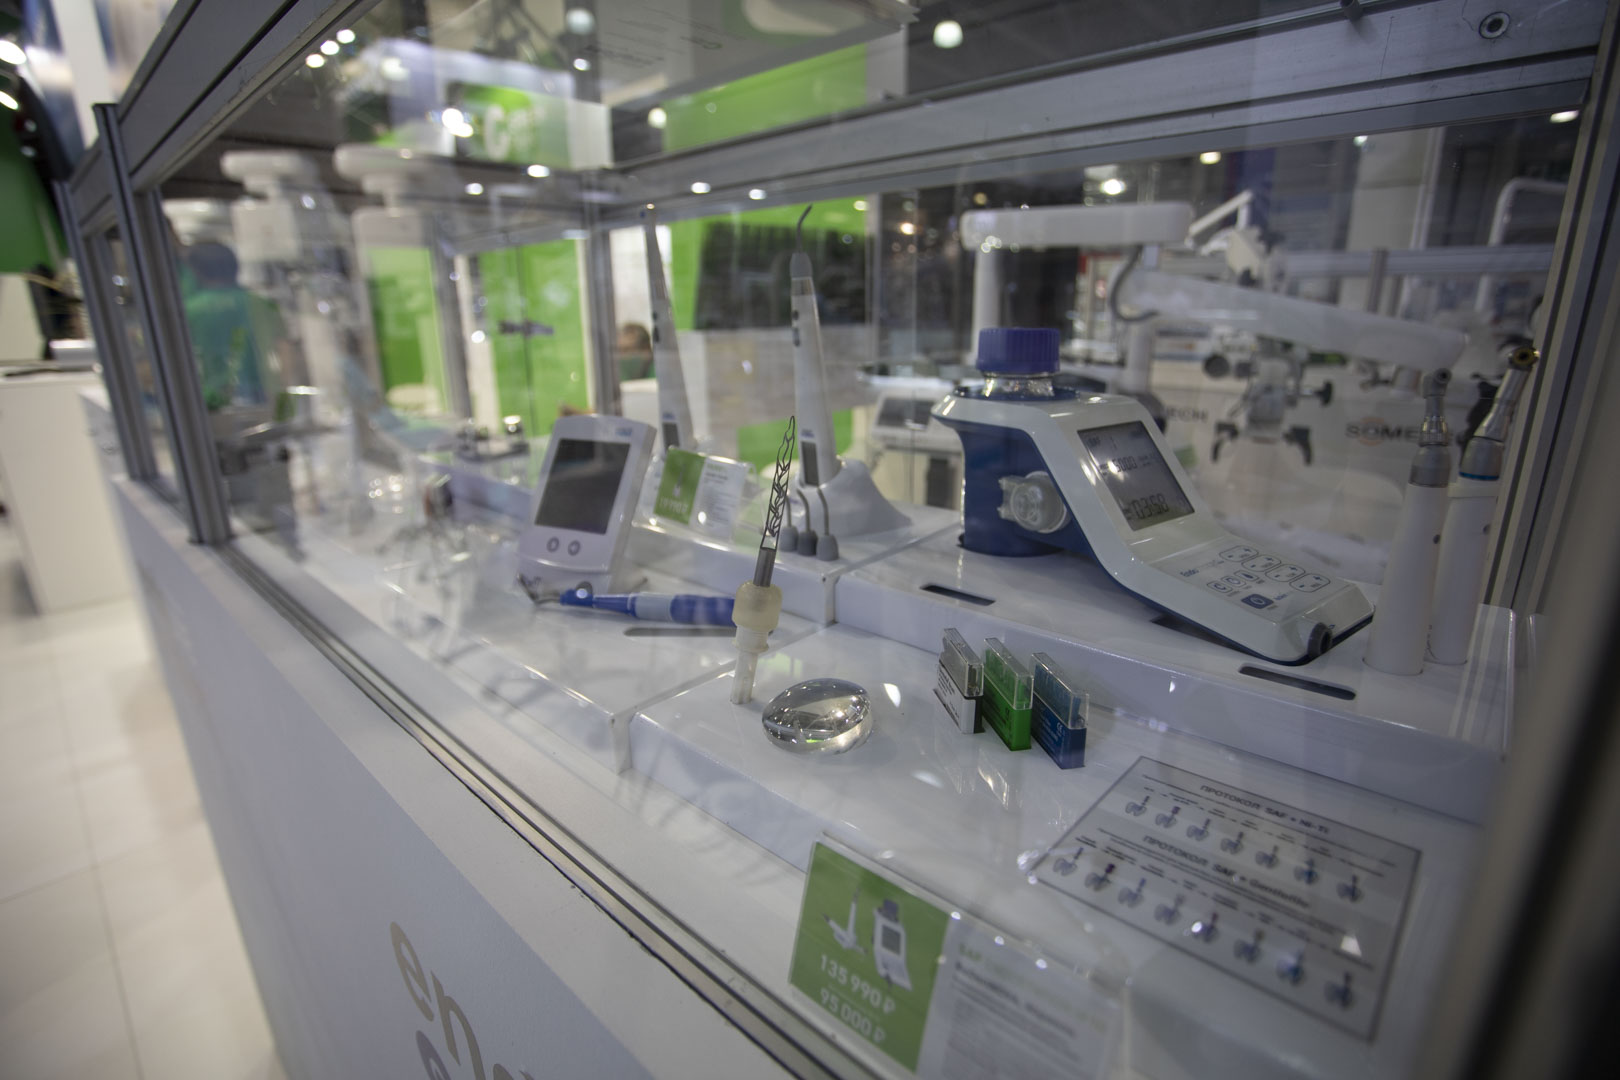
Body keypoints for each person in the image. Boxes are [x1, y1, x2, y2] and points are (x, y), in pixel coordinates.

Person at [181, 243, 284, 409]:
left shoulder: (189, 310)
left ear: (195, 272)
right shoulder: (262, 304)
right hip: (263, 398)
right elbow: (285, 355)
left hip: (210, 403)